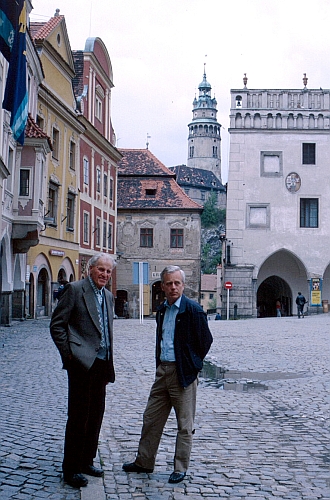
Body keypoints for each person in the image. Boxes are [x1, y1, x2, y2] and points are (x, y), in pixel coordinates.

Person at [123, 265, 213, 484]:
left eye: (177, 283)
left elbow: (205, 341)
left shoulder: (193, 310)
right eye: (169, 283)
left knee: (184, 423)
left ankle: (180, 467)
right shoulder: (162, 310)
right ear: (163, 286)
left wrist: (192, 365)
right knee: (151, 418)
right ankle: (144, 461)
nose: (173, 287)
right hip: (163, 371)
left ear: (183, 285)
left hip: (183, 373)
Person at [50, 253, 116, 488]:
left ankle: (87, 459)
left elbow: (106, 331)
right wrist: (69, 355)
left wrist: (108, 361)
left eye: (108, 271)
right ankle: (71, 468)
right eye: (101, 270)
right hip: (81, 363)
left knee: (96, 414)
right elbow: (57, 324)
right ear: (90, 269)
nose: (105, 275)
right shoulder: (75, 290)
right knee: (78, 416)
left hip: (101, 364)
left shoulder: (107, 296)